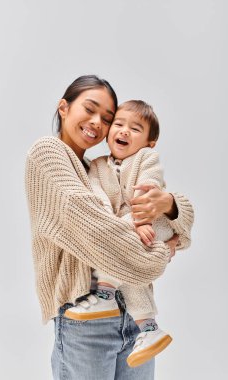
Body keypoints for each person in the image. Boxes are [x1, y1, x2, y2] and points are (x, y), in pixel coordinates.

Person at [25, 75, 194, 380]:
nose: (97, 123)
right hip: (85, 316)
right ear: (63, 108)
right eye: (89, 109)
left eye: (106, 117)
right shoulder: (48, 154)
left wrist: (168, 203)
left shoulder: (100, 167)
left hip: (135, 315)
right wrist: (161, 248)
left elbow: (184, 214)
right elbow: (104, 236)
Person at [64, 100, 192, 368]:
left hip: (154, 222)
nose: (124, 131)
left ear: (150, 142)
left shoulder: (146, 158)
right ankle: (148, 327)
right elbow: (96, 196)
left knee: (119, 246)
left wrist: (140, 219)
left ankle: (105, 292)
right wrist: (127, 226)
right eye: (119, 125)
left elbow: (149, 186)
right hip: (128, 232)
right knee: (130, 272)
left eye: (135, 129)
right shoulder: (97, 165)